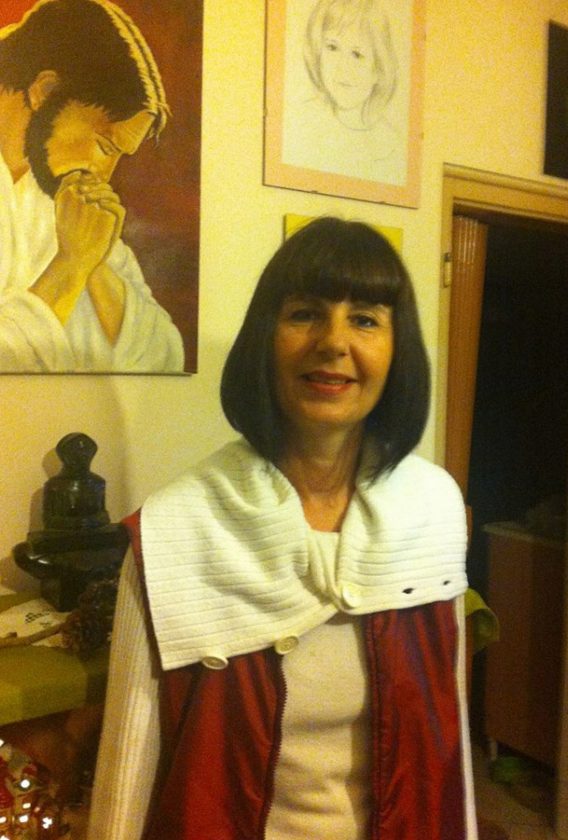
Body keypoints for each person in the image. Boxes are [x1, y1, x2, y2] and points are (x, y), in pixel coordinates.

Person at [88, 217, 476, 839]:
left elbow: (447, 747)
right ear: (264, 339)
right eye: (304, 314)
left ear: (397, 350)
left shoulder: (433, 511)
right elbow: (127, 771)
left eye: (365, 319)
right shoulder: (176, 529)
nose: (333, 342)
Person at [0, 0, 184, 372]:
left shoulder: (57, 191)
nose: (104, 173)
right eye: (104, 145)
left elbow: (164, 356)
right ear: (45, 90)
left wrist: (95, 265)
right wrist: (71, 266)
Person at [283, 0, 405, 184]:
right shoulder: (300, 121)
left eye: (357, 54)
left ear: (378, 70)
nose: (342, 67)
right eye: (332, 47)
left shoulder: (390, 144)